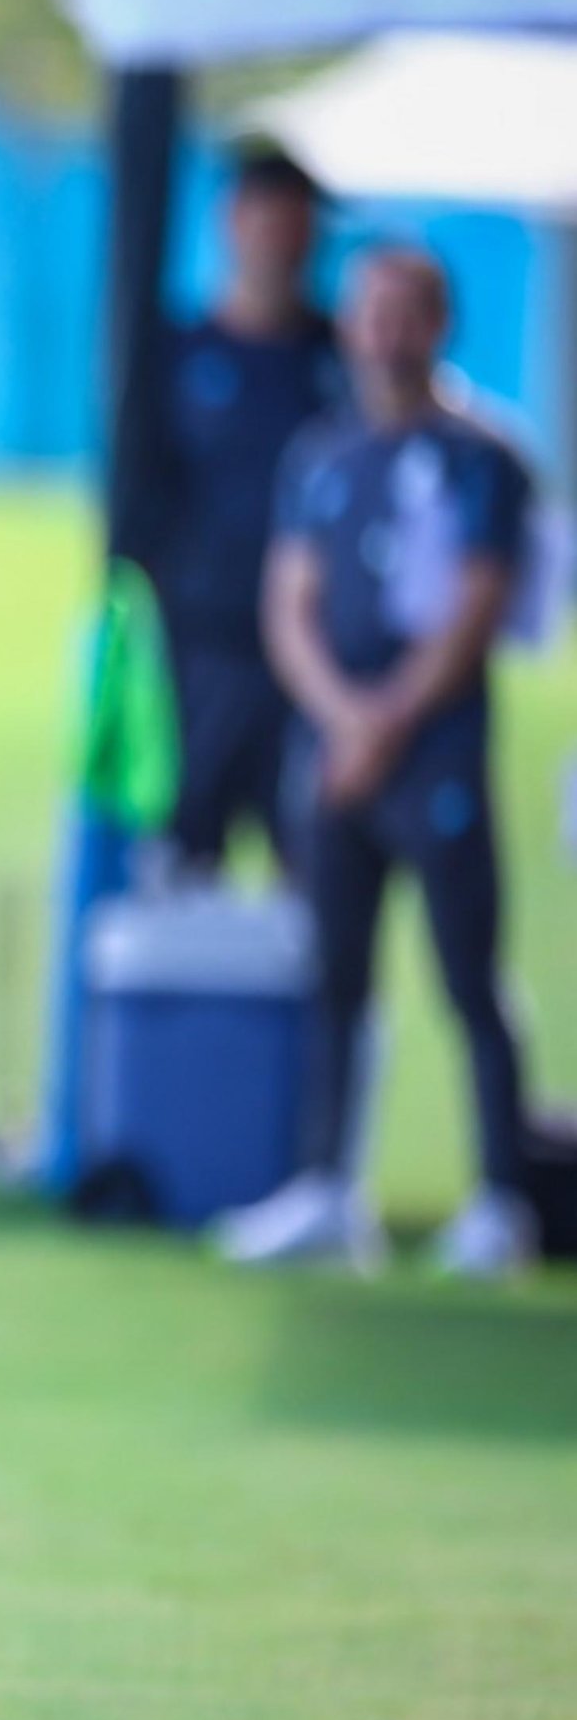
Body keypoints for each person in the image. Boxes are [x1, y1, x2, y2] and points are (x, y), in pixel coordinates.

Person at [213, 243, 538, 1278]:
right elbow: (290, 603)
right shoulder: (323, 454)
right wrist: (342, 719)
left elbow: (478, 606)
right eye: (371, 313)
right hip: (337, 755)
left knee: (468, 974)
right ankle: (325, 1187)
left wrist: (385, 722)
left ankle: (502, 1196)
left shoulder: (483, 454)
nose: (386, 334)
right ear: (348, 327)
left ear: (439, 325)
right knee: (335, 976)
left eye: (408, 314)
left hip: (433, 752)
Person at [127, 146, 342, 873]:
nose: (283, 240)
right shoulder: (176, 355)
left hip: (317, 662)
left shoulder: (338, 356)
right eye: (269, 220)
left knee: (316, 869)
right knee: (184, 864)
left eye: (299, 224)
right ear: (232, 224)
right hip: (201, 654)